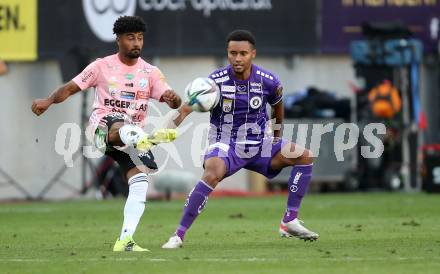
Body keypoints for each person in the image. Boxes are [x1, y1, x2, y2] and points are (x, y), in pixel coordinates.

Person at [31, 16, 181, 251]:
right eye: (131, 37)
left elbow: (172, 99)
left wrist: (174, 99)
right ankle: (143, 138)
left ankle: (125, 240)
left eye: (140, 38)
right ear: (119, 39)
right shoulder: (101, 66)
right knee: (121, 125)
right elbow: (71, 87)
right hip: (103, 129)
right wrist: (49, 101)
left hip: (130, 140)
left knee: (140, 181)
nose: (136, 43)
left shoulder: (151, 72)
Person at [162, 30, 319, 249]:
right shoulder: (214, 82)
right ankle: (178, 235)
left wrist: (276, 138)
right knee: (212, 173)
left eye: (242, 53)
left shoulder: (269, 81)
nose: (237, 58)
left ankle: (289, 220)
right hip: (226, 143)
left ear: (252, 54)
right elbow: (187, 107)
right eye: (232, 53)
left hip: (258, 144)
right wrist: (166, 130)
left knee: (305, 156)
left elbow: (278, 108)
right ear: (227, 53)